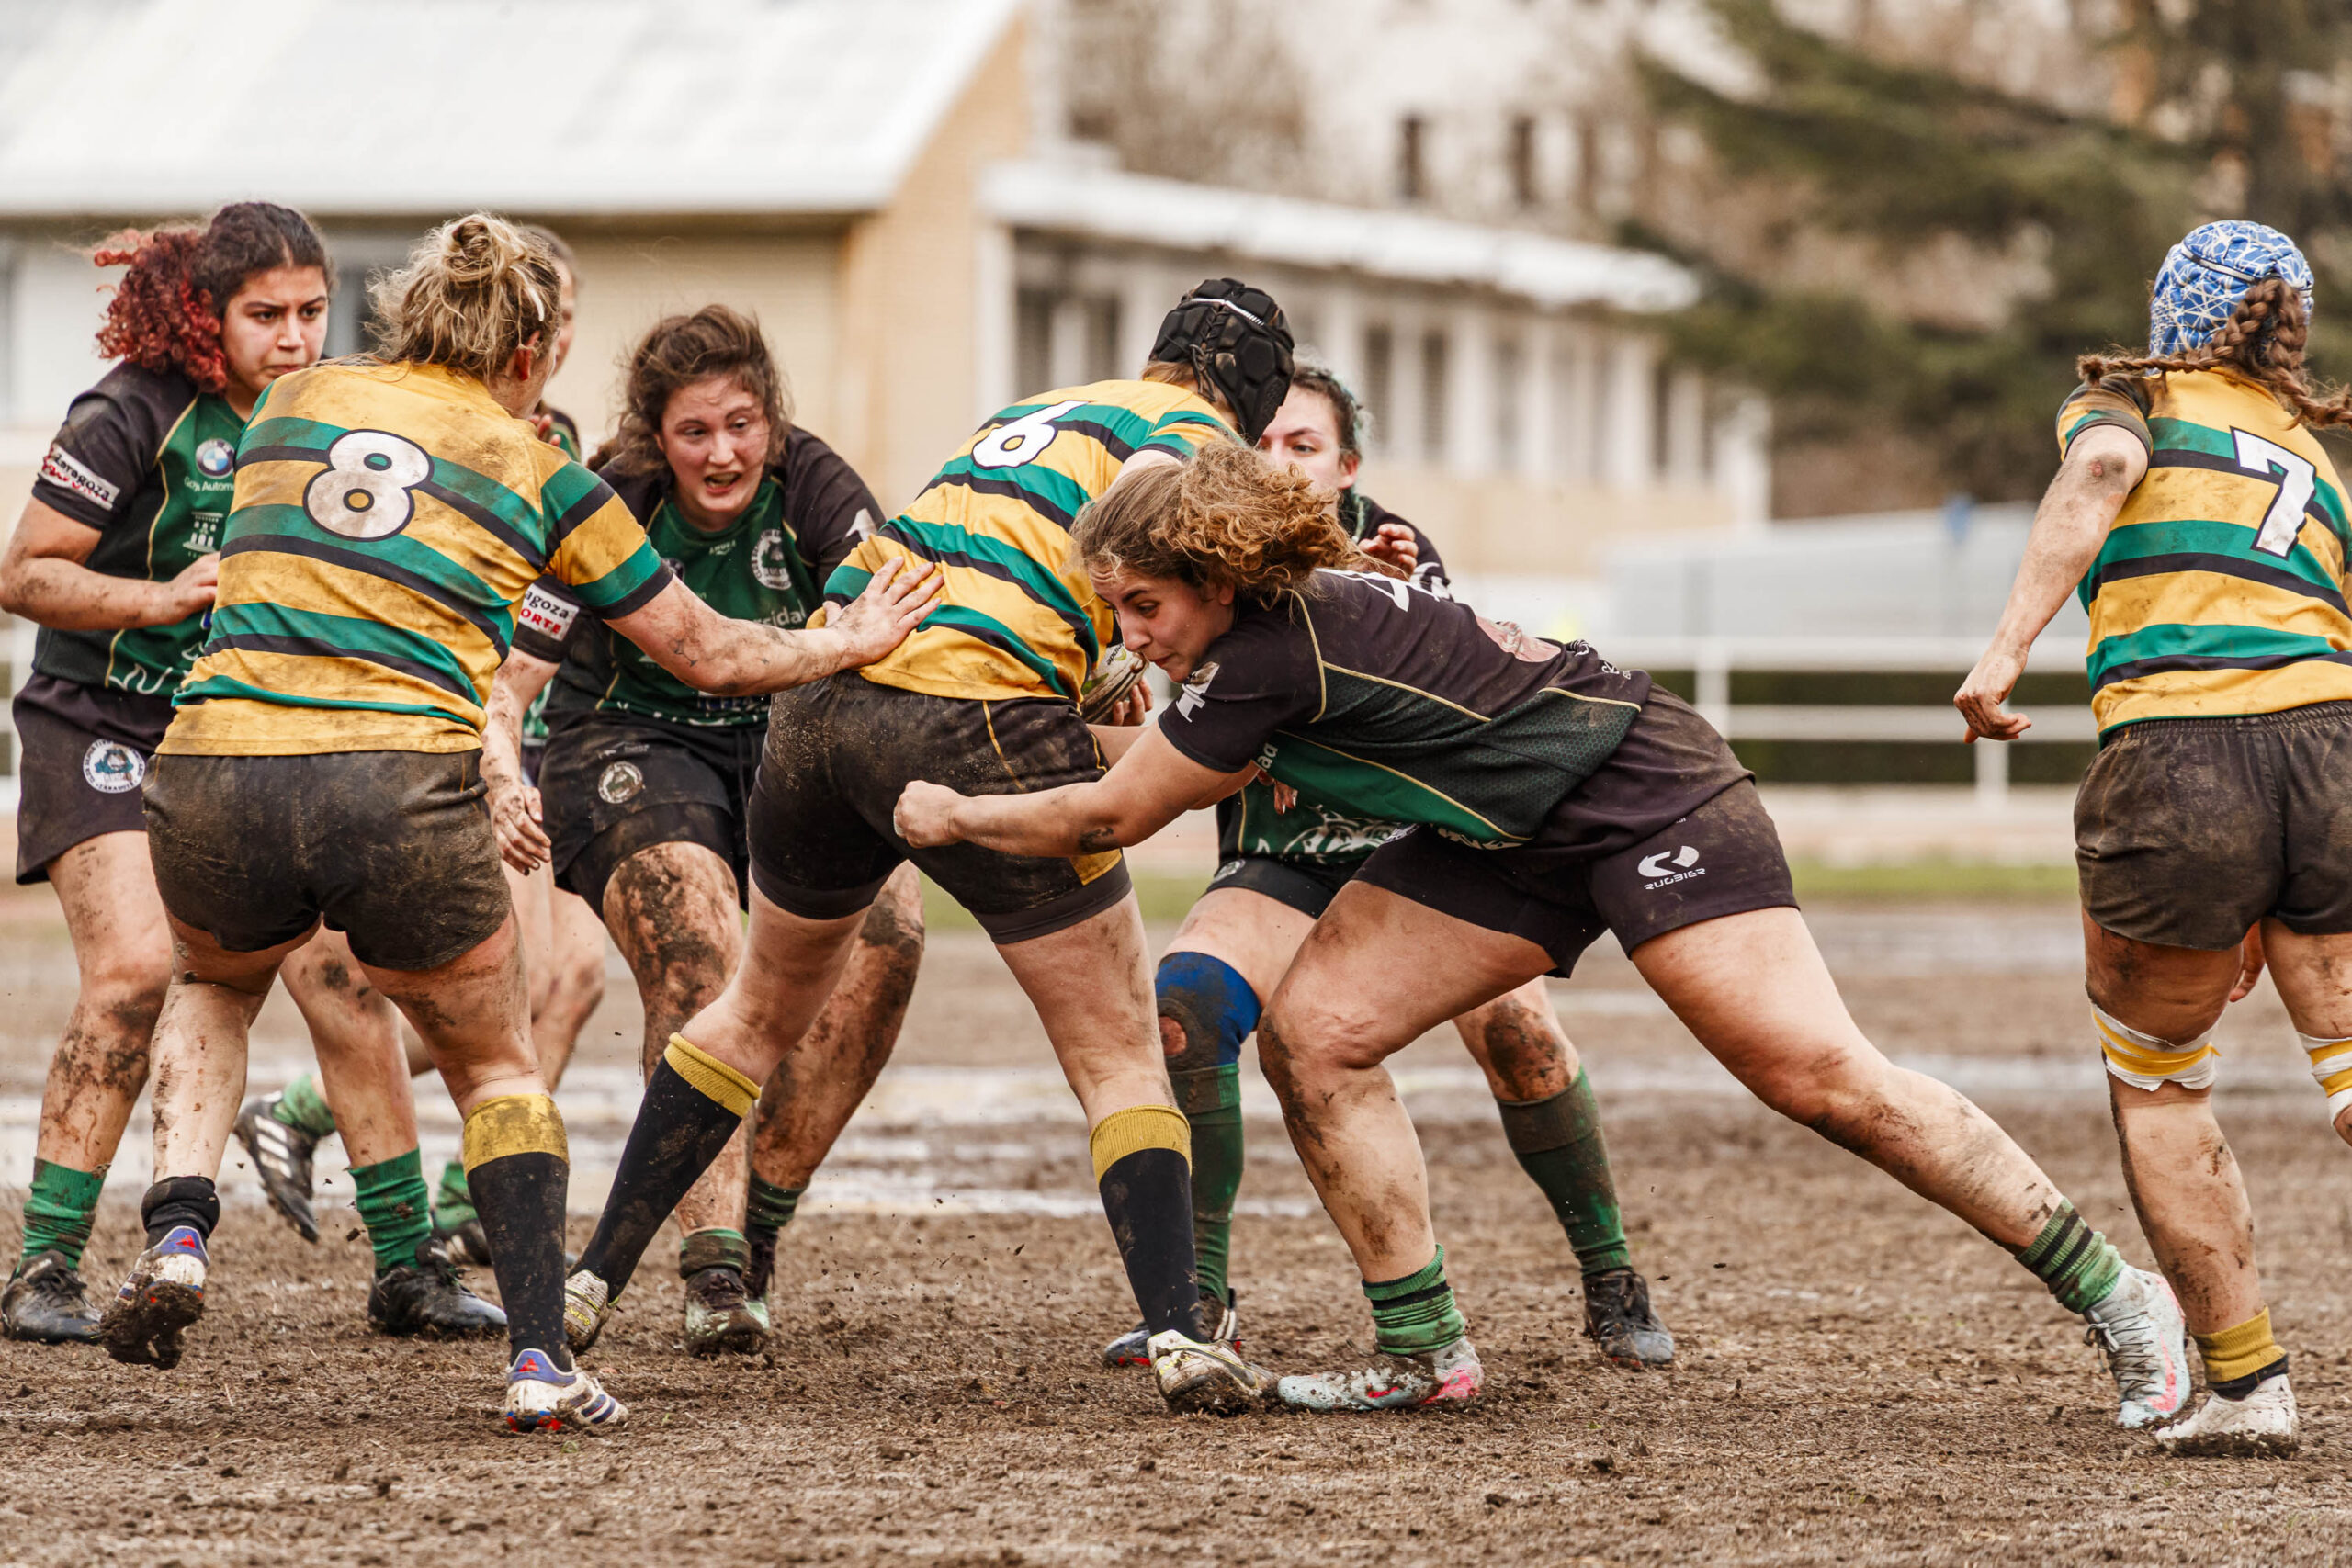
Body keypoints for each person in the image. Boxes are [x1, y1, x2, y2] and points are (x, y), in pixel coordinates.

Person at [893, 438, 2195, 1418]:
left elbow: (1115, 814)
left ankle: (2121, 1296)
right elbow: (1186, 764)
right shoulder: (1273, 631)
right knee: (1322, 1033)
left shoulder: (1265, 654)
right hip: (1508, 833)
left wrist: (953, 807)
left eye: (1143, 608)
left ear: (1215, 576)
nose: (1136, 638)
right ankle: (1424, 1350)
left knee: (1822, 1078)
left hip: (1642, 789)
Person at [92, 213, 938, 1434]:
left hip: (214, 761)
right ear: (532, 350)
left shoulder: (288, 404)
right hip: (393, 779)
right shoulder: (549, 473)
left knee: (215, 985)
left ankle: (178, 1233)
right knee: (497, 1056)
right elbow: (703, 650)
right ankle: (541, 1358)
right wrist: (845, 640)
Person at [557, 279, 1295, 1416]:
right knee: (1113, 1049)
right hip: (973, 708)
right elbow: (1147, 519)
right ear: (1251, 402)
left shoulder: (1043, 409)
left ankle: (590, 1279)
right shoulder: (1188, 439)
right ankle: (1181, 1334)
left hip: (819, 706)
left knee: (756, 1012)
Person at [1097, 363, 1673, 1371]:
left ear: (1347, 465)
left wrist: (1381, 585)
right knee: (1185, 997)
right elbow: (1151, 759)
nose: (1278, 462)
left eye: (1303, 446)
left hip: (1415, 852)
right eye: (1260, 444)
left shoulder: (1398, 553)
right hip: (1285, 857)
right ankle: (1199, 1298)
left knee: (1518, 1029)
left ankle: (1610, 1273)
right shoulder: (1179, 572)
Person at [0, 203, 499, 1346]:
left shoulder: (330, 417)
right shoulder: (134, 412)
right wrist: (165, 598)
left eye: (312, 312)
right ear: (204, 317)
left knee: (343, 974)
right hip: (100, 722)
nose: (292, 338)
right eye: (263, 316)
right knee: (133, 973)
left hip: (250, 730)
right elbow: (24, 574)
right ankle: (44, 1267)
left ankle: (404, 1266)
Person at [1955, 220, 2352, 1457]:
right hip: (2334, 742)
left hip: (2182, 760)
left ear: (2173, 305)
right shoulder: (2306, 445)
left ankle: (2246, 1383)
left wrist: (2006, 644)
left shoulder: (2129, 394)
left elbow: (2096, 477)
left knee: (2161, 1072)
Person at [482, 305, 925, 1355]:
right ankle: (711, 1266)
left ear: (771, 420)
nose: (722, 452)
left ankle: (757, 1219)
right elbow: (515, 675)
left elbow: (897, 635)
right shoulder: (608, 501)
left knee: (890, 934)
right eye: (695, 432)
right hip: (628, 744)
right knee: (698, 937)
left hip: (785, 742)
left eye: (742, 424)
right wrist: (501, 768)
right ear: (655, 437)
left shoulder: (819, 491)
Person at [232, 224, 608, 1262]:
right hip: (429, 738)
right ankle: (355, 1152)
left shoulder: (558, 444)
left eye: (570, 318)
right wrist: (498, 763)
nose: (556, 339)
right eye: (546, 319)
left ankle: (443, 1202)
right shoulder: (440, 431)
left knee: (570, 979)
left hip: (522, 735)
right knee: (508, 986)